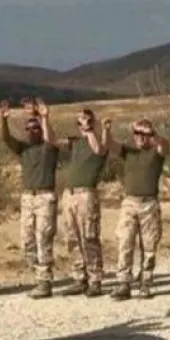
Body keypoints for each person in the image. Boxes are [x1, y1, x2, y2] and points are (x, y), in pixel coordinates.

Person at [0, 97, 60, 299]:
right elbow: (7, 139)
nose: (33, 131)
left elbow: (50, 136)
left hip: (45, 196)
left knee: (43, 237)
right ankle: (38, 275)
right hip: (28, 197)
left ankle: (44, 281)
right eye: (29, 128)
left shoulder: (48, 147)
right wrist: (4, 120)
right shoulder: (24, 148)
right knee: (27, 240)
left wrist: (43, 117)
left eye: (36, 128)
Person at [105, 117, 170, 300]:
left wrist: (152, 134)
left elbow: (164, 146)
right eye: (137, 133)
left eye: (144, 134)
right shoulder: (128, 151)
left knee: (149, 245)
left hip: (149, 203)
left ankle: (145, 282)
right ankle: (123, 282)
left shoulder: (156, 152)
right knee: (125, 242)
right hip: (129, 202)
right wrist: (107, 130)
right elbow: (110, 145)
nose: (140, 137)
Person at [59, 108, 109, 297]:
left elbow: (98, 150)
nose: (83, 125)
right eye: (80, 122)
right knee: (72, 237)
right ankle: (79, 277)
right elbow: (53, 141)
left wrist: (90, 131)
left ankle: (95, 278)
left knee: (90, 237)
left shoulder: (98, 142)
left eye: (87, 121)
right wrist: (43, 118)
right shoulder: (76, 143)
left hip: (86, 195)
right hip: (69, 195)